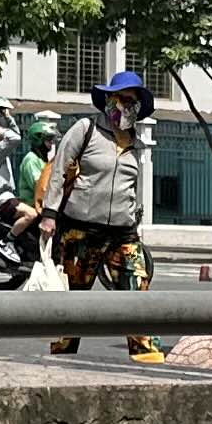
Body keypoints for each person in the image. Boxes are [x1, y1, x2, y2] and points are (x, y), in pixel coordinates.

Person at [36, 72, 166, 362]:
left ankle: (147, 356)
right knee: (75, 298)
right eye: (124, 99)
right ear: (110, 99)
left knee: (137, 288)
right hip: (81, 231)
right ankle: (61, 358)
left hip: (123, 233)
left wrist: (134, 218)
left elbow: (131, 188)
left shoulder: (135, 143)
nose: (129, 107)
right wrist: (49, 214)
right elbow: (59, 171)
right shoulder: (86, 129)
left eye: (134, 103)